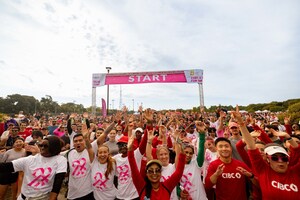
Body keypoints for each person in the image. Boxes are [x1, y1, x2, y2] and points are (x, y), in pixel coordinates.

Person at [232, 105, 300, 199]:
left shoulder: (295, 171)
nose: (280, 161)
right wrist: (241, 123)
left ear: (288, 159)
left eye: (284, 157)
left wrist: (288, 137)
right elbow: (251, 146)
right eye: (275, 158)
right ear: (268, 159)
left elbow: (297, 152)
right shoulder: (264, 171)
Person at [0, 135, 67, 200]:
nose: (42, 148)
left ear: (54, 147)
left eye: (45, 146)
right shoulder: (30, 159)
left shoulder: (60, 160)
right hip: (24, 197)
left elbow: (57, 184)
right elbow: (5, 167)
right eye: (41, 145)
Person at [128, 133, 186, 200]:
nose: (154, 173)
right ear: (146, 173)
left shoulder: (167, 186)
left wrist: (182, 152)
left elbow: (179, 172)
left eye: (157, 170)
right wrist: (130, 150)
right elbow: (133, 168)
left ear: (161, 173)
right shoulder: (142, 187)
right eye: (150, 171)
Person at [178, 121, 207, 200]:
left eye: (190, 153)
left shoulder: (196, 164)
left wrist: (201, 134)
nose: (188, 155)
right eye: (186, 152)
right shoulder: (176, 166)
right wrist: (179, 192)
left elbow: (201, 150)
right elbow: (175, 184)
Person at [67, 124, 95, 200]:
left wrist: (86, 138)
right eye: (75, 141)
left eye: (80, 140)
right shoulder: (69, 153)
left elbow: (90, 147)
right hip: (72, 193)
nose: (78, 143)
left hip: (87, 192)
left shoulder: (89, 151)